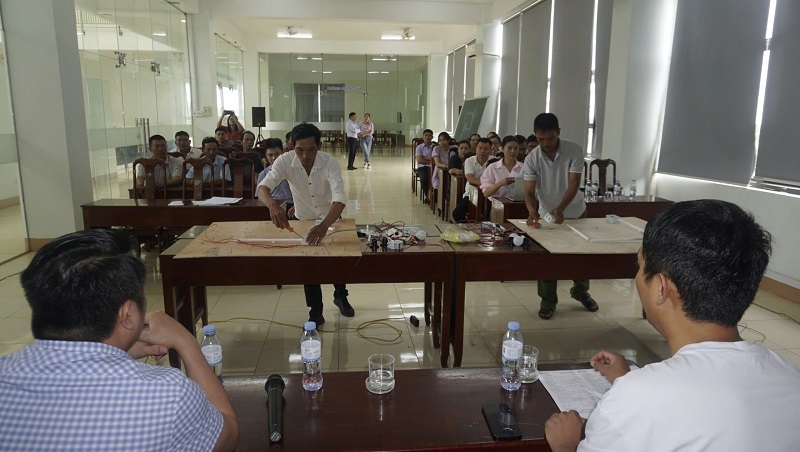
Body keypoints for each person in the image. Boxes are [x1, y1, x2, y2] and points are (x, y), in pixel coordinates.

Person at [545, 199, 800, 452]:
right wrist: (629, 380)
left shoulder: (634, 400)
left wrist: (567, 445)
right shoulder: (790, 378)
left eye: (640, 265)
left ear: (661, 288)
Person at [0, 229, 239, 450]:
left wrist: (118, 348)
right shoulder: (168, 395)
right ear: (127, 315)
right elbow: (228, 434)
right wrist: (185, 340)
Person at [257, 123, 352, 327]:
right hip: (303, 219)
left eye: (311, 150)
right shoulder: (284, 160)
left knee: (337, 260)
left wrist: (325, 225)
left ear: (319, 146)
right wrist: (272, 204)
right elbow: (263, 187)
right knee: (309, 268)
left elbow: (340, 199)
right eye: (299, 150)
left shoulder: (329, 163)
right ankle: (316, 311)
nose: (305, 156)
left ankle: (341, 297)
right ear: (291, 146)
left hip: (331, 218)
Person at [524, 113, 597, 319]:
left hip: (575, 211)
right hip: (546, 214)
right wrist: (531, 211)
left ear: (559, 133)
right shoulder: (532, 158)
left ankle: (581, 292)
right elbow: (529, 191)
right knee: (547, 259)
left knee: (580, 256)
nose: (545, 143)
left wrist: (562, 207)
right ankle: (547, 300)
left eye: (550, 138)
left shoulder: (574, 149)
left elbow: (574, 183)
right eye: (540, 139)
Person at [452, 137, 492, 222]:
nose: (482, 151)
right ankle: (468, 230)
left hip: (490, 195)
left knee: (491, 216)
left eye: (485, 149)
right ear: (475, 148)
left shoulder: (494, 161)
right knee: (457, 214)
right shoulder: (469, 161)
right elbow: (470, 179)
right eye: (480, 148)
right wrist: (486, 185)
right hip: (471, 194)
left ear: (490, 150)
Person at [256, 137, 294, 217]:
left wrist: (297, 206)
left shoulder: (292, 170)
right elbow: (259, 196)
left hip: (292, 206)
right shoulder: (263, 174)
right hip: (271, 206)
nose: (274, 158)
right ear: (266, 156)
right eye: (270, 155)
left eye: (277, 154)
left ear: (283, 153)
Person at [480, 135, 523, 200]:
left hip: (519, 204)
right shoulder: (492, 168)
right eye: (509, 148)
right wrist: (500, 184)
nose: (513, 151)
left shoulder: (524, 167)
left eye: (515, 148)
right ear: (502, 149)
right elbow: (486, 193)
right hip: (498, 206)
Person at [415, 129, 435, 204]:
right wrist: (431, 161)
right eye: (426, 135)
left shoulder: (435, 147)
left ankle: (435, 196)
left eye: (429, 135)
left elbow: (436, 159)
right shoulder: (419, 147)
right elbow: (419, 160)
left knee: (438, 178)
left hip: (434, 166)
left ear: (432, 137)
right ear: (423, 137)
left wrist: (425, 157)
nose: (427, 137)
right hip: (423, 167)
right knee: (424, 178)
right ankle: (427, 195)